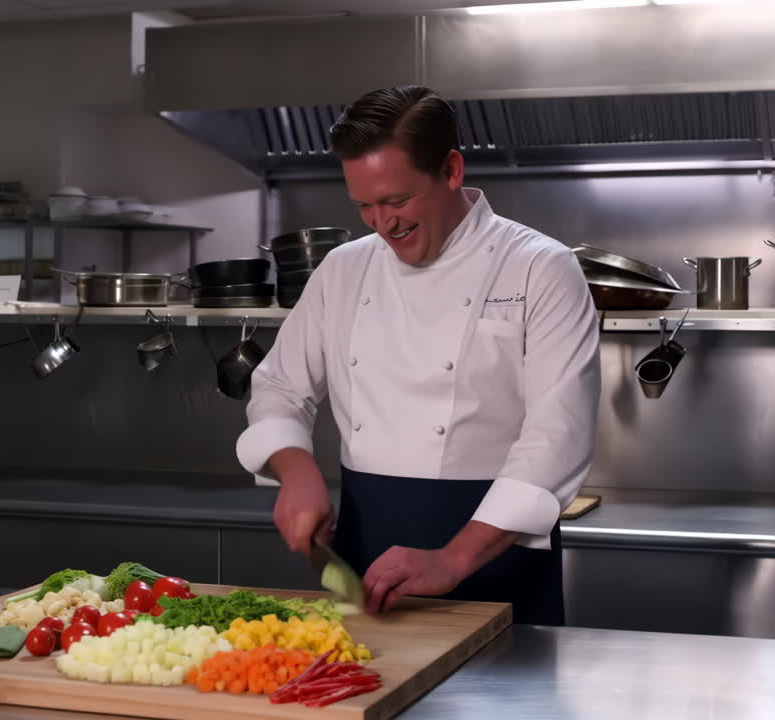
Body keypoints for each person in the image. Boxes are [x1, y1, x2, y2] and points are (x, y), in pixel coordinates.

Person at [235, 85, 600, 625]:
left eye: (398, 200)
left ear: (451, 170)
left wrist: (456, 557)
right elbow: (280, 388)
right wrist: (296, 471)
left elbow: (557, 436)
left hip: (495, 556)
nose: (383, 223)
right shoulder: (342, 269)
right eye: (365, 206)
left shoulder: (539, 268)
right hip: (368, 556)